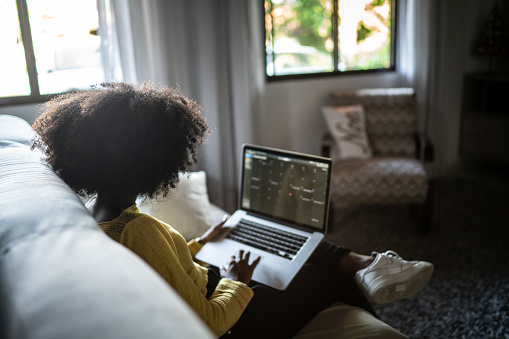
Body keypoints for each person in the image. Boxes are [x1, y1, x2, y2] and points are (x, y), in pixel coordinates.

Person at [32, 82, 433, 338]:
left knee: (294, 256)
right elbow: (210, 322)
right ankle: (366, 274)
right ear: (151, 164)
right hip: (228, 326)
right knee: (321, 275)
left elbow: (159, 267)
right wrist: (238, 281)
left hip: (205, 282)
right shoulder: (140, 230)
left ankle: (364, 265)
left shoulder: (98, 215)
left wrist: (203, 241)